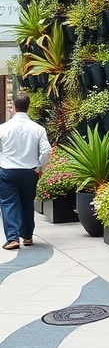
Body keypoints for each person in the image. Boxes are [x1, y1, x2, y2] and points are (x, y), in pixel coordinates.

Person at [0, 91, 52, 250]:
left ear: (14, 107)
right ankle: (27, 236)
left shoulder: (3, 128)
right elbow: (47, 151)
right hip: (30, 171)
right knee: (27, 202)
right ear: (28, 107)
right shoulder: (38, 129)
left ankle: (12, 238)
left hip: (7, 170)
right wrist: (40, 166)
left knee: (8, 203)